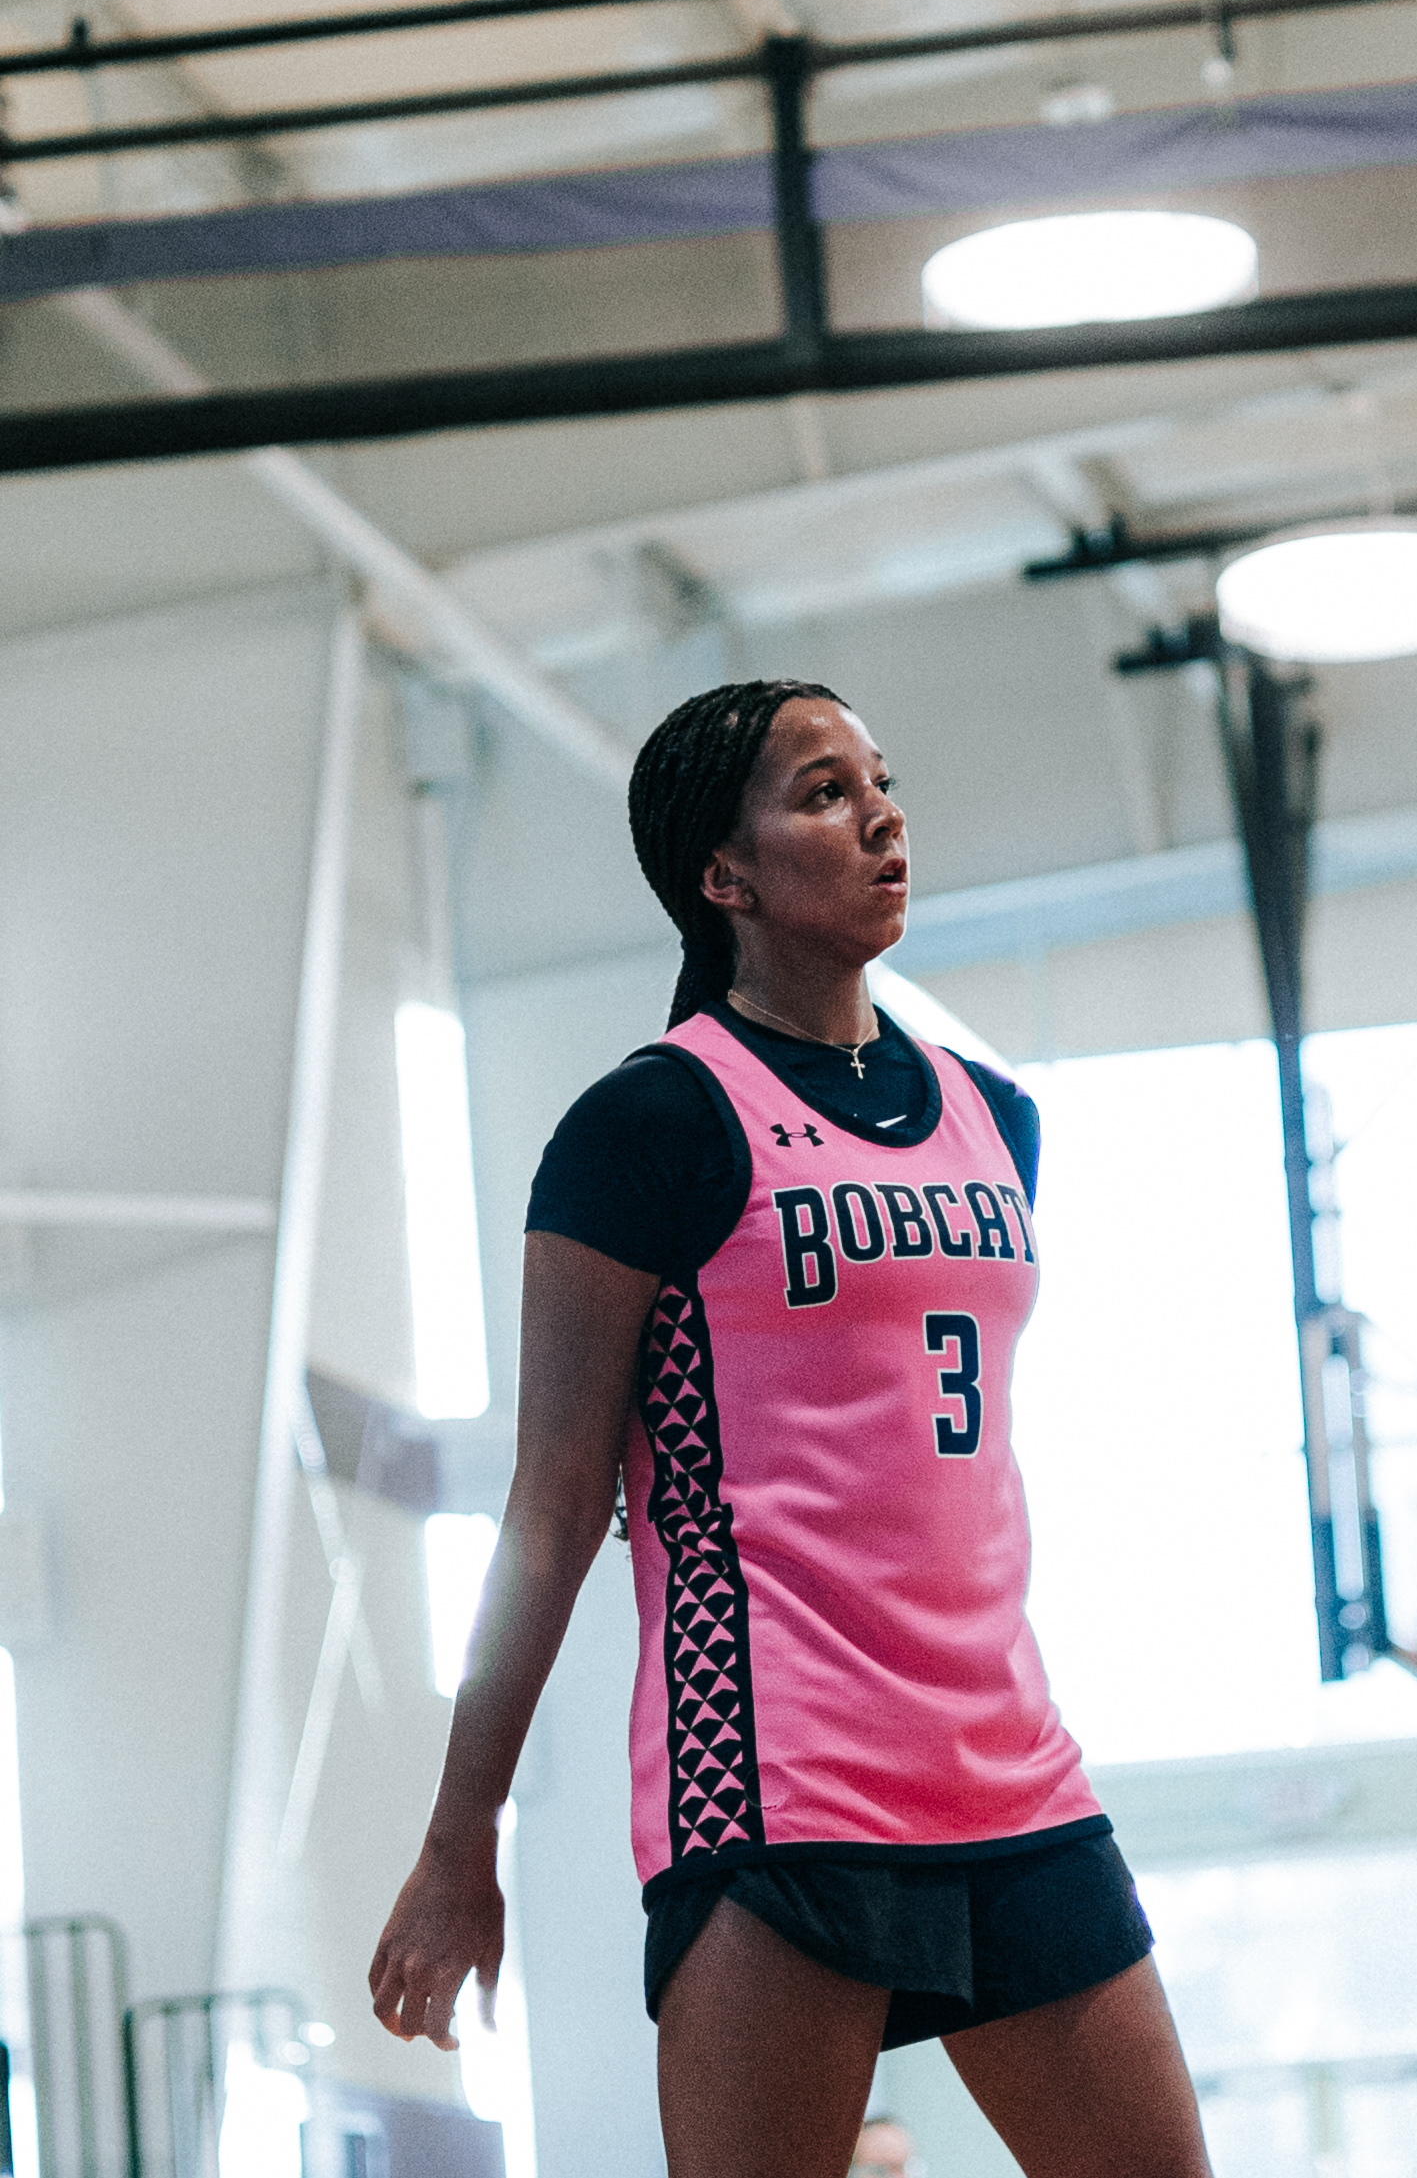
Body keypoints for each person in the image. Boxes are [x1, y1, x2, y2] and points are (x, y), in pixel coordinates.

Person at [369, 679, 1212, 2178]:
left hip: (1011, 1766)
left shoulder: (995, 1117)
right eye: (825, 793)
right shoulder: (649, 1128)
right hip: (778, 1780)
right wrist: (461, 1835)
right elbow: (552, 1506)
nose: (882, 816)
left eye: (880, 781)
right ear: (724, 873)